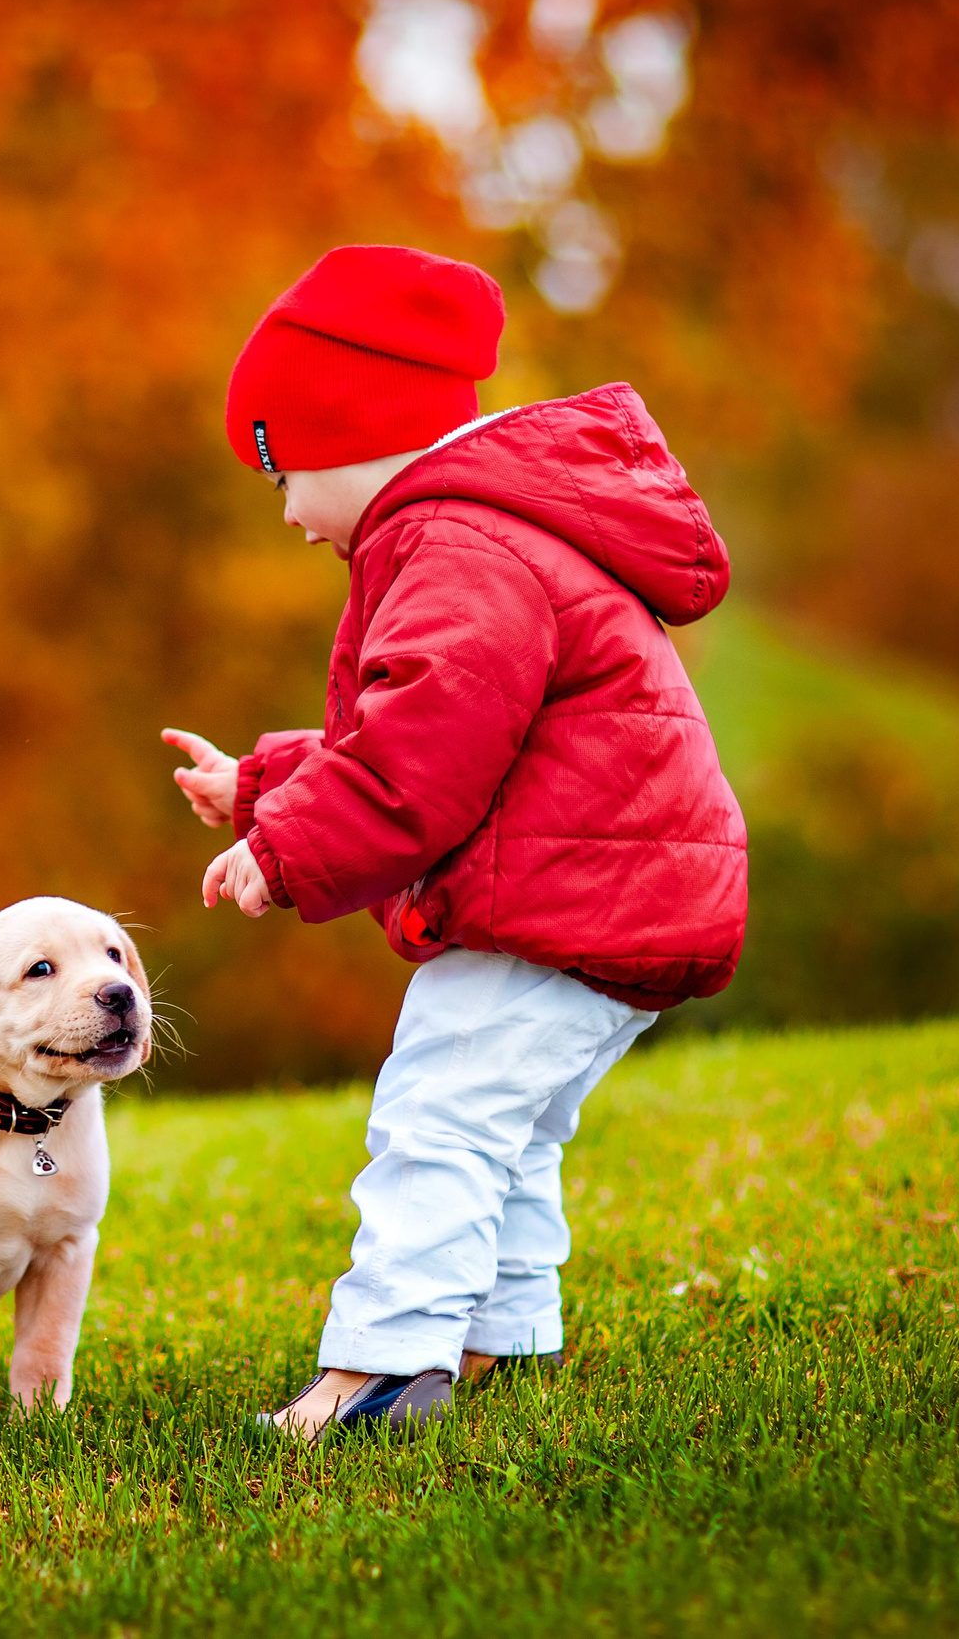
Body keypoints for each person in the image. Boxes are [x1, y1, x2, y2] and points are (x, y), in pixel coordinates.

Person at [163, 244, 747, 1440]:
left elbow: (416, 756)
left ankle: (382, 1368)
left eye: (281, 472)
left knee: (437, 1118)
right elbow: (432, 727)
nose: (286, 513)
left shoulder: (457, 544)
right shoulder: (481, 534)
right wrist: (260, 785)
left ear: (351, 438)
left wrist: (282, 853)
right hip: (607, 888)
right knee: (504, 1127)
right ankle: (502, 1339)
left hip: (567, 900)